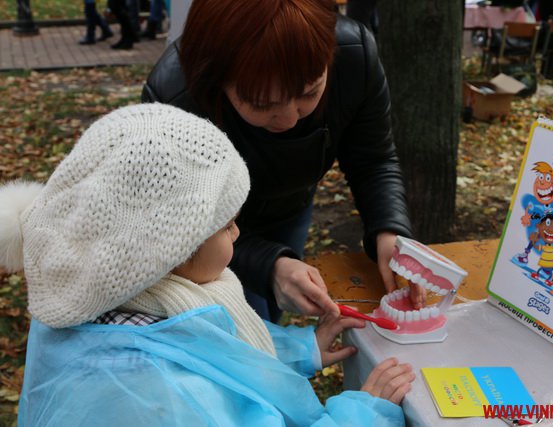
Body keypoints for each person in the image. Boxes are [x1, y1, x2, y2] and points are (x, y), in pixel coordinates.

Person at [1, 104, 415, 426]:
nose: (238, 233)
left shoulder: (92, 289)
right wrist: (365, 414)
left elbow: (208, 353)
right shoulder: (155, 391)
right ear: (169, 250)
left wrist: (299, 350)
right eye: (226, 223)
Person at [142, 0, 416, 322]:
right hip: (207, 237)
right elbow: (182, 228)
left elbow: (374, 160)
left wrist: (389, 231)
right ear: (217, 78)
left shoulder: (354, 54)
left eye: (309, 93)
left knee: (277, 301)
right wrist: (269, 265)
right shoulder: (173, 96)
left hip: (291, 204)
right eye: (262, 104)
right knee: (236, 323)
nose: (289, 119)